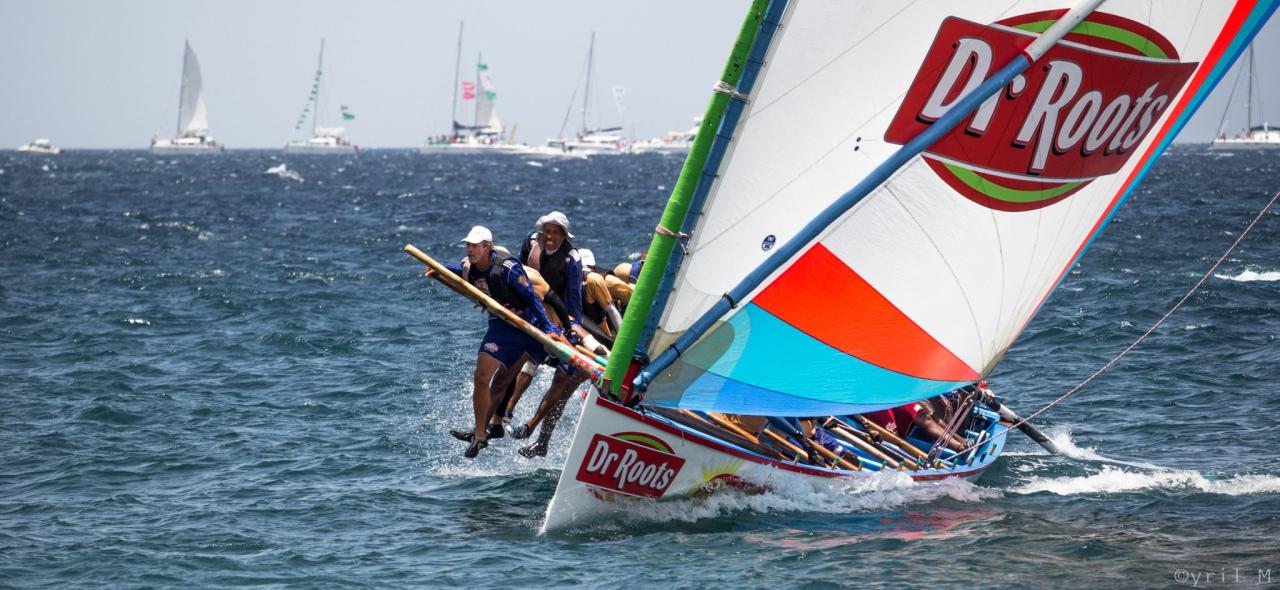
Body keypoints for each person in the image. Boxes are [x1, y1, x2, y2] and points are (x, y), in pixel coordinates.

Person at [430, 226, 562, 459]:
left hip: (527, 327)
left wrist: (550, 328)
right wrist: (438, 271)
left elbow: (531, 297)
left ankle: (499, 427)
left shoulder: (508, 268)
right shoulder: (470, 267)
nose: (470, 250)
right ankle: (480, 434)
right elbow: (458, 273)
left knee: (504, 380)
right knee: (481, 377)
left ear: (487, 247)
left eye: (475, 246)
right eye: (468, 245)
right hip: (501, 326)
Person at [507, 211, 595, 458]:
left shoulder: (576, 267)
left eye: (556, 232)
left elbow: (575, 306)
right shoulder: (533, 245)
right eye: (548, 231)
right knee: (530, 357)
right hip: (554, 321)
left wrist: (573, 332)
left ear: (564, 235)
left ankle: (536, 434)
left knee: (562, 386)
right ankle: (508, 410)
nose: (550, 236)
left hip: (579, 338)